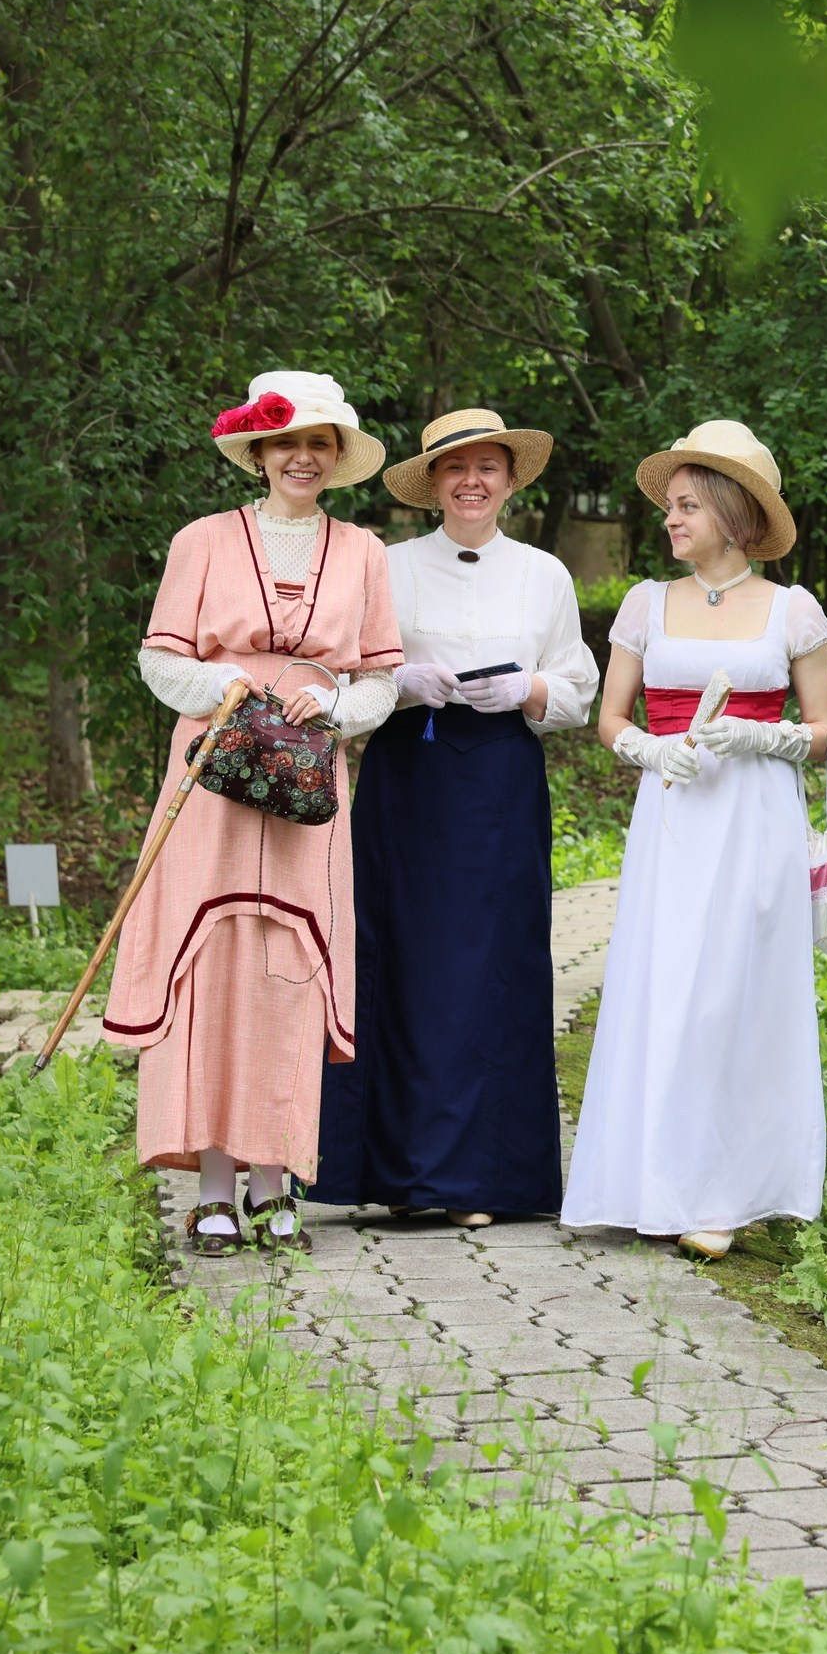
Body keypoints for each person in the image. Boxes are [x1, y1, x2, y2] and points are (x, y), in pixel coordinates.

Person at [104, 369, 404, 1255]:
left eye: (320, 443)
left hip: (309, 778)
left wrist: (337, 705)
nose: (302, 457)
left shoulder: (364, 554)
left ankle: (277, 1181)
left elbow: (382, 677)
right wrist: (223, 684)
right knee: (213, 953)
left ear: (336, 456)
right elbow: (160, 659)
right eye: (288, 442)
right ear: (260, 452)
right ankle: (209, 1187)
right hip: (215, 760)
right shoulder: (200, 541)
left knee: (289, 960)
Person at [312, 410, 597, 1226]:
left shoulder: (544, 574)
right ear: (432, 483)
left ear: (511, 479)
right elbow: (344, 670)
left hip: (502, 782)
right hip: (410, 778)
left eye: (488, 468)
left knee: (495, 967)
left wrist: (529, 691)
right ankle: (404, 1175)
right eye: (455, 468)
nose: (472, 481)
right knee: (403, 959)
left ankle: (485, 1182)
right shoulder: (387, 566)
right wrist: (401, 684)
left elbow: (575, 682)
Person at [560, 421, 827, 1259]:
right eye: (671, 506)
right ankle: (643, 1180)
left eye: (686, 505)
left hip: (756, 819)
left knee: (734, 993)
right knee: (663, 983)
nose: (670, 520)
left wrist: (767, 738)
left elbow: (824, 730)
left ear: (730, 509)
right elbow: (609, 718)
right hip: (673, 814)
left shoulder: (794, 610)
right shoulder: (648, 603)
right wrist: (649, 748)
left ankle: (721, 1193)